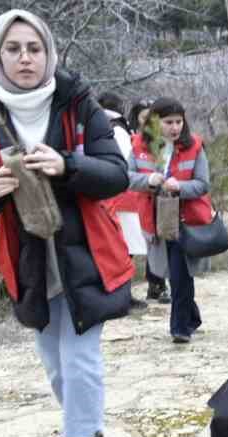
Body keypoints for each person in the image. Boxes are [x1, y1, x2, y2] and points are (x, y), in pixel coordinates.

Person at [0, 8, 131, 437]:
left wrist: (68, 165)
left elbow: (115, 173)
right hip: (27, 253)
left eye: (33, 48)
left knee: (79, 354)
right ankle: (90, 430)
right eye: (13, 49)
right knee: (54, 360)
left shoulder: (78, 103)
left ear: (49, 52)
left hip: (85, 249)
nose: (24, 58)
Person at [138, 97, 211, 344]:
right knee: (170, 272)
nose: (175, 127)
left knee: (181, 274)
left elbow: (203, 184)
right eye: (169, 122)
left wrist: (179, 186)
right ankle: (191, 316)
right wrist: (148, 181)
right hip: (155, 219)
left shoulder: (195, 146)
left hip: (185, 220)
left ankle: (180, 328)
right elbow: (125, 177)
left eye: (179, 121)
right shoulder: (139, 146)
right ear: (155, 122)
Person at [98, 91, 148, 309]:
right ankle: (123, 296)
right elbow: (128, 159)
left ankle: (121, 294)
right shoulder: (117, 129)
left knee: (121, 246)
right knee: (124, 247)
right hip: (123, 195)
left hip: (110, 194)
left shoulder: (101, 125)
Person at [125, 98, 167, 303]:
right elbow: (127, 175)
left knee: (162, 243)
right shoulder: (134, 144)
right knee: (145, 243)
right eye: (144, 117)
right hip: (140, 203)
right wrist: (148, 181)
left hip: (166, 203)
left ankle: (160, 285)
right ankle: (150, 285)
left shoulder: (168, 142)